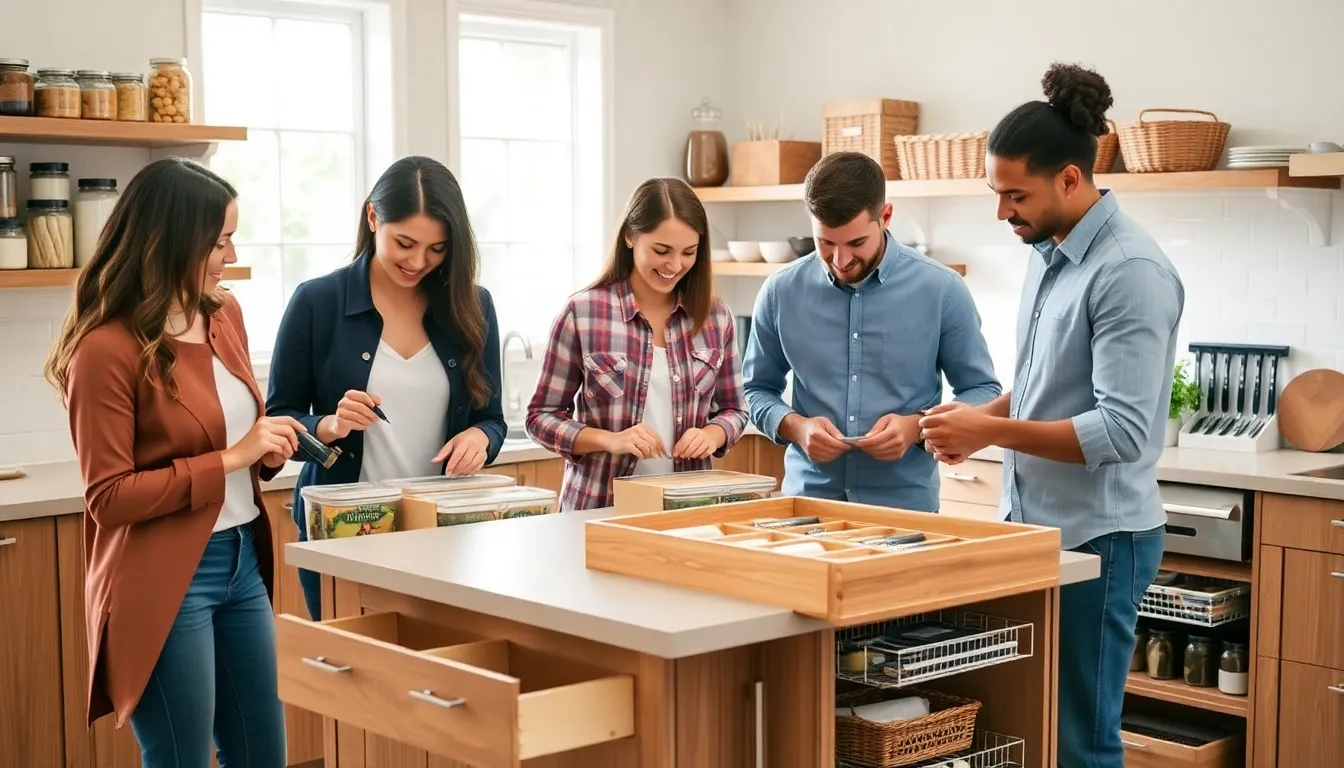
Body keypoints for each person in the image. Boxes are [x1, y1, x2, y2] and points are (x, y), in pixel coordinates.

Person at [918, 63, 1184, 768]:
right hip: (1036, 529)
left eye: (1015, 195)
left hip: (1102, 540)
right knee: (1030, 726)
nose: (1002, 212)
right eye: (995, 193)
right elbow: (1042, 387)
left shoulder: (1129, 271)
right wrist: (974, 419)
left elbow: (1122, 432)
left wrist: (991, 430)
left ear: (1070, 179)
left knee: (1079, 741)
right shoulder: (1048, 249)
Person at [46, 157, 300, 767]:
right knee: (182, 758)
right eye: (217, 242)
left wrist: (263, 451)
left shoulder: (223, 316)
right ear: (170, 242)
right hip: (163, 577)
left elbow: (231, 429)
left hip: (241, 560)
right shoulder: (105, 349)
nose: (229, 255)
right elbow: (108, 497)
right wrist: (231, 456)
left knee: (262, 753)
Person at [266, 155, 507, 621]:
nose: (419, 262)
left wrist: (481, 438)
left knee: (440, 675)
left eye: (437, 249)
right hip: (345, 531)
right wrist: (330, 425)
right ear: (373, 217)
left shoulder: (473, 306)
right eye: (405, 243)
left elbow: (492, 419)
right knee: (355, 674)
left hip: (443, 532)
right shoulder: (317, 302)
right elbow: (280, 420)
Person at [742, 151, 1000, 511]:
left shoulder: (942, 290)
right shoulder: (780, 291)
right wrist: (796, 427)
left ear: (886, 216)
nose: (841, 260)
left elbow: (983, 390)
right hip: (807, 507)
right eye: (825, 243)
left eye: (856, 243)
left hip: (906, 511)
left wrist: (919, 426)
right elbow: (756, 390)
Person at [526, 177, 747, 509]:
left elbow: (734, 409)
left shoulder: (716, 318)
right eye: (661, 251)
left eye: (689, 252)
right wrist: (610, 440)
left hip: (687, 510)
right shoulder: (583, 314)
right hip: (599, 508)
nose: (675, 266)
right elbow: (541, 417)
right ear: (630, 236)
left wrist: (711, 435)